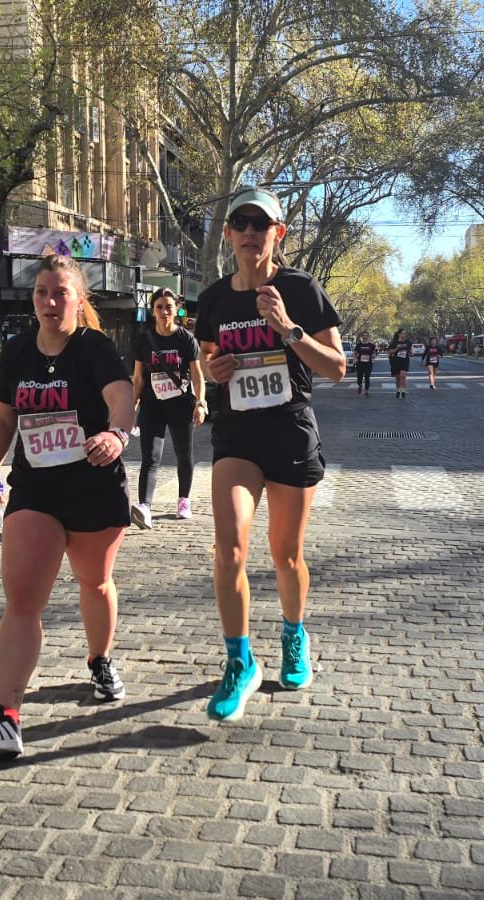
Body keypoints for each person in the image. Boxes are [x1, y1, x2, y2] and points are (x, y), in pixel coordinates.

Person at [0, 254, 137, 755]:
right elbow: (3, 420)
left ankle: (100, 659)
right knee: (22, 598)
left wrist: (116, 435)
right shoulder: (17, 351)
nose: (50, 301)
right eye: (42, 292)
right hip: (35, 490)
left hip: (93, 486)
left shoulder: (96, 348)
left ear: (79, 301)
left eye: (61, 292)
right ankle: (6, 717)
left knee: (94, 582)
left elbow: (122, 399)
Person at [195, 187, 345, 722]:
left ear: (278, 233)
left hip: (289, 432)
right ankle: (239, 662)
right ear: (229, 234)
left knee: (286, 555)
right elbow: (207, 358)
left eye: (260, 224)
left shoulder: (299, 288)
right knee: (229, 549)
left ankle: (293, 634)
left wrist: (288, 329)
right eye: (240, 223)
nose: (249, 232)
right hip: (237, 435)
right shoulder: (213, 299)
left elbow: (336, 367)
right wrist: (212, 371)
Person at [130, 288, 207, 528]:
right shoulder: (144, 340)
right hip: (152, 406)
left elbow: (197, 376)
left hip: (180, 405)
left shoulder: (185, 339)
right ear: (153, 311)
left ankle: (184, 500)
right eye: (160, 307)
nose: (164, 311)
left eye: (169, 307)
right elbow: (138, 378)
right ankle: (144, 506)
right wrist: (132, 407)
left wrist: (200, 402)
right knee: (150, 457)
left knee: (184, 454)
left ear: (176, 310)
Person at [352, 331, 376, 397]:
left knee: (367, 377)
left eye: (366, 335)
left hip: (368, 363)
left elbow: (374, 353)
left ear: (368, 337)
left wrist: (373, 355)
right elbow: (354, 353)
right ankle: (360, 385)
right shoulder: (359, 345)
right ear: (362, 337)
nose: (365, 337)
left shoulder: (371, 345)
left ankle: (366, 391)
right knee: (359, 377)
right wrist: (355, 359)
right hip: (360, 363)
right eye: (364, 335)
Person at [388, 328, 411, 398]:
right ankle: (398, 390)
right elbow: (390, 352)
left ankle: (403, 391)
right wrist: (397, 348)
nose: (404, 335)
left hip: (405, 361)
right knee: (398, 377)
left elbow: (410, 350)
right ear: (399, 334)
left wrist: (411, 352)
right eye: (403, 333)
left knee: (403, 376)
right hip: (396, 361)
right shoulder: (394, 342)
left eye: (405, 333)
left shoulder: (408, 342)